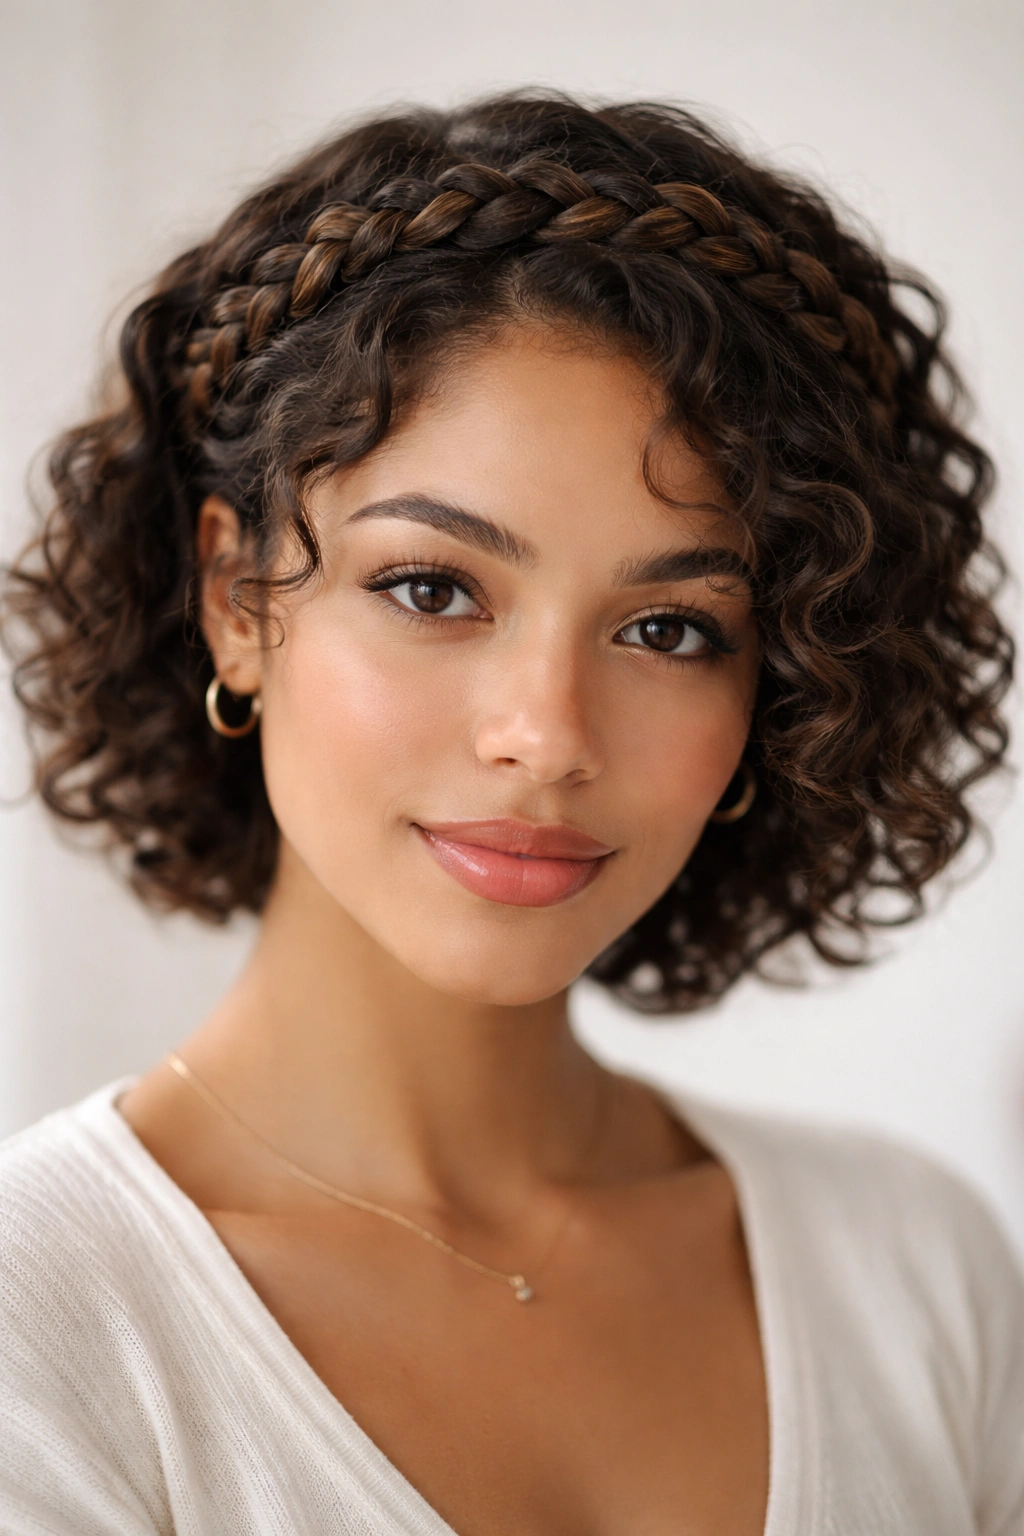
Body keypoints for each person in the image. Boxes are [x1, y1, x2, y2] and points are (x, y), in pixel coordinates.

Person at [0, 92, 1021, 1536]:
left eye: (670, 629)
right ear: (238, 600)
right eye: (433, 589)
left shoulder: (918, 1269)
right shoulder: (36, 1334)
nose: (545, 737)